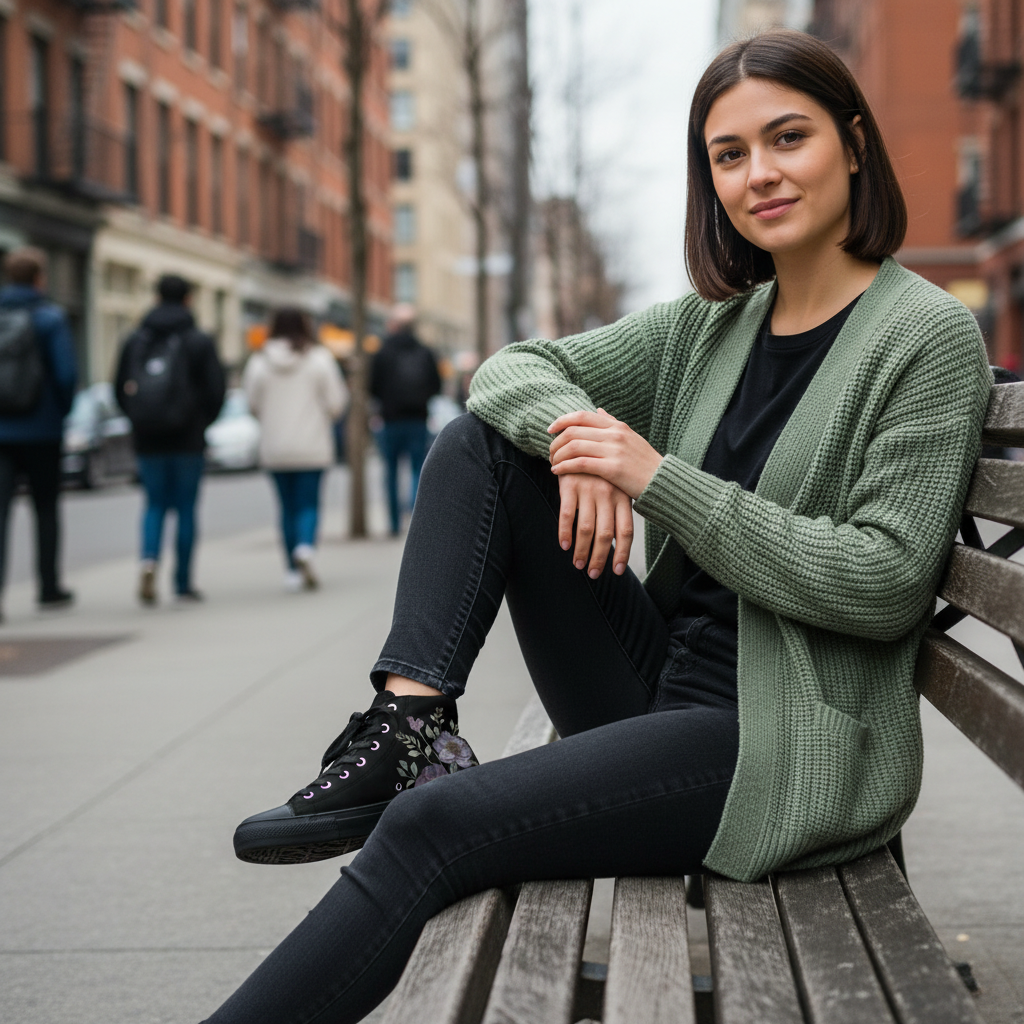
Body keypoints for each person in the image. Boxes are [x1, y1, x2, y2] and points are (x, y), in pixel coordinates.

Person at [206, 31, 991, 1024]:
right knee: (483, 443)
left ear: (853, 143)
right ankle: (409, 720)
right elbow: (508, 372)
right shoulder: (713, 326)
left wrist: (653, 478)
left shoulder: (923, 337)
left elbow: (883, 581)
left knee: (431, 829)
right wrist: (580, 441)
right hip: (657, 687)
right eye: (729, 155)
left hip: (777, 740)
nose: (760, 174)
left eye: (786, 138)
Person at [115, 274, 225, 605]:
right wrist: (200, 423)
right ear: (188, 299)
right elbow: (216, 391)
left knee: (154, 505)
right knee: (186, 509)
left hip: (148, 439)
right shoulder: (198, 341)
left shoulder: (135, 339)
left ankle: (149, 559)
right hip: (188, 440)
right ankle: (182, 582)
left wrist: (139, 421)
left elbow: (118, 388)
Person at [242, 308, 348, 590]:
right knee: (308, 504)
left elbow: (252, 404)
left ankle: (291, 569)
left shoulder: (259, 361)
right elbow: (337, 403)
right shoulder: (319, 359)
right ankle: (305, 548)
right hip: (312, 446)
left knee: (286, 507)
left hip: (275, 449)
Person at [0, 247, 77, 620]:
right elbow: (65, 375)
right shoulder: (49, 318)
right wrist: (59, 414)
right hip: (42, 430)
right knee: (45, 510)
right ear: (39, 278)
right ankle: (48, 587)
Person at [370, 304, 442, 535]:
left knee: (390, 473)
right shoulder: (425, 351)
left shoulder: (382, 352)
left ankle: (392, 523)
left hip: (390, 420)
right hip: (418, 419)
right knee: (417, 470)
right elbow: (436, 385)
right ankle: (415, 520)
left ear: (394, 325)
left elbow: (373, 387)